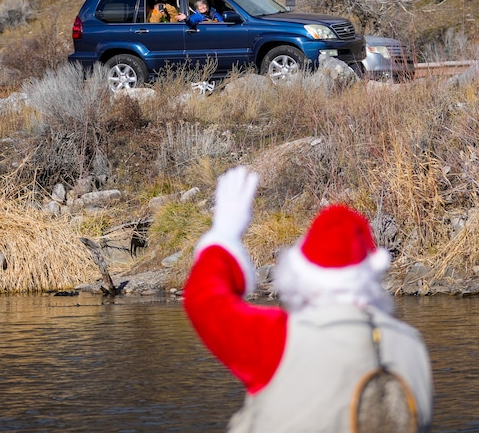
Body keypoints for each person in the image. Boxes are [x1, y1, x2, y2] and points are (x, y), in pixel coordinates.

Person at [183, 166, 433, 433]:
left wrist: (224, 236)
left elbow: (204, 300)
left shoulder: (278, 339)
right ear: (371, 274)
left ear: (300, 278)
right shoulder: (413, 346)